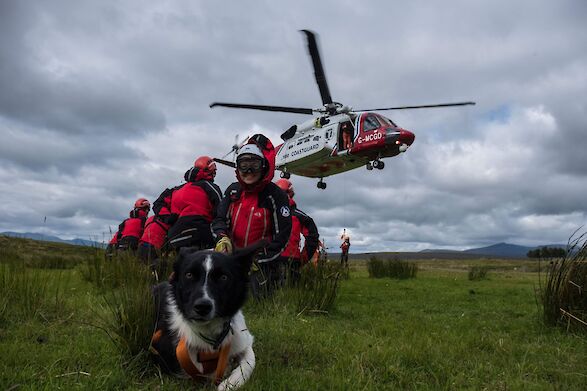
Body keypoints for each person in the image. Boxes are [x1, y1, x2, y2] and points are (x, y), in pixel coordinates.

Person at [212, 134, 292, 299]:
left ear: (263, 166)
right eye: (244, 165)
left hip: (262, 265)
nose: (249, 171)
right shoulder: (233, 191)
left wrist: (262, 258)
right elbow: (219, 220)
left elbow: (282, 234)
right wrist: (222, 238)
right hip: (232, 261)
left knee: (260, 301)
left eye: (254, 165)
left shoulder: (275, 195)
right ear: (237, 168)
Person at [166, 156, 223, 250]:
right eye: (214, 172)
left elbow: (159, 205)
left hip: (175, 235)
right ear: (210, 171)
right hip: (200, 232)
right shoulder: (209, 186)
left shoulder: (176, 190)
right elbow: (220, 210)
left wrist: (168, 219)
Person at [275, 178, 319, 285]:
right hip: (292, 259)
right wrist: (303, 258)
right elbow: (312, 237)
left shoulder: (266, 213)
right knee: (290, 293)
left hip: (270, 259)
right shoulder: (301, 216)